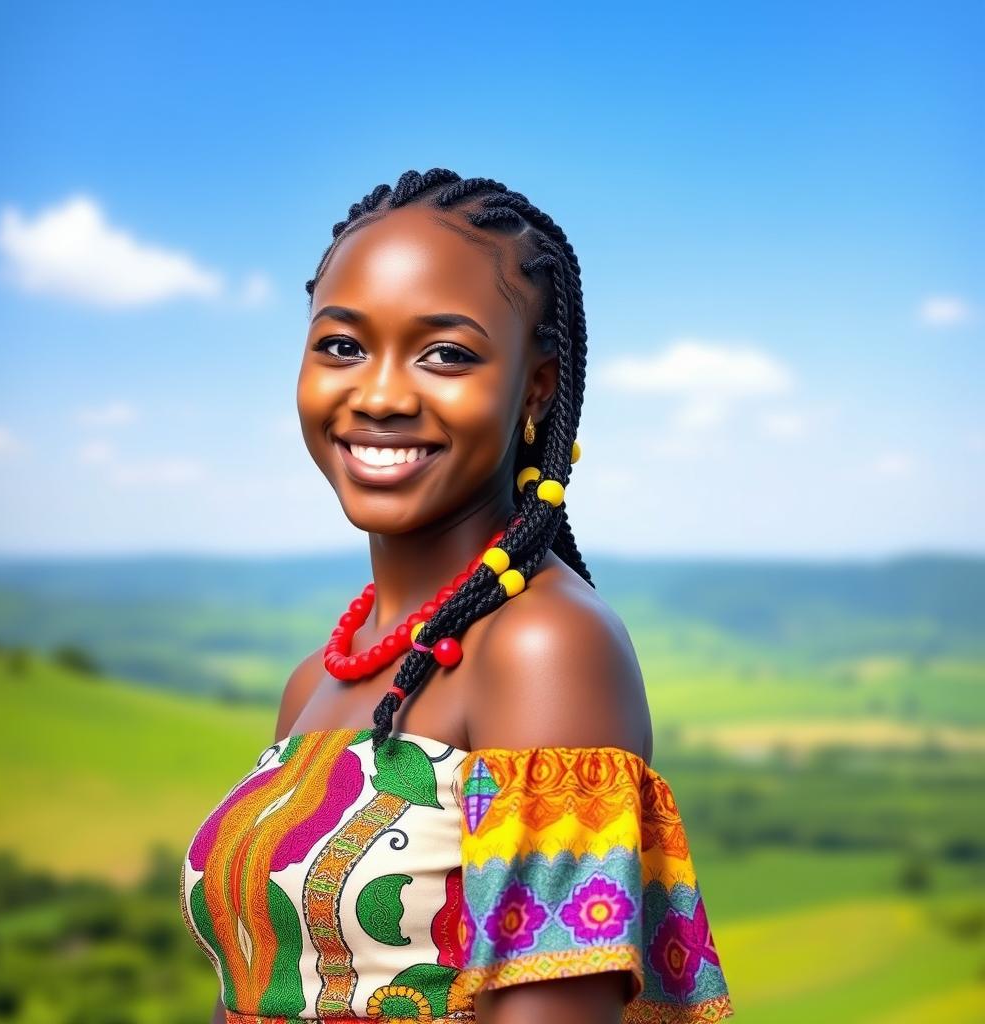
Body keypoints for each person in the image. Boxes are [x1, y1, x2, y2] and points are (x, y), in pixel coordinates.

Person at [179, 168, 735, 1024]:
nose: (381, 395)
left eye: (445, 355)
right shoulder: (311, 684)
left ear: (537, 388)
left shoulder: (542, 646)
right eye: (342, 346)